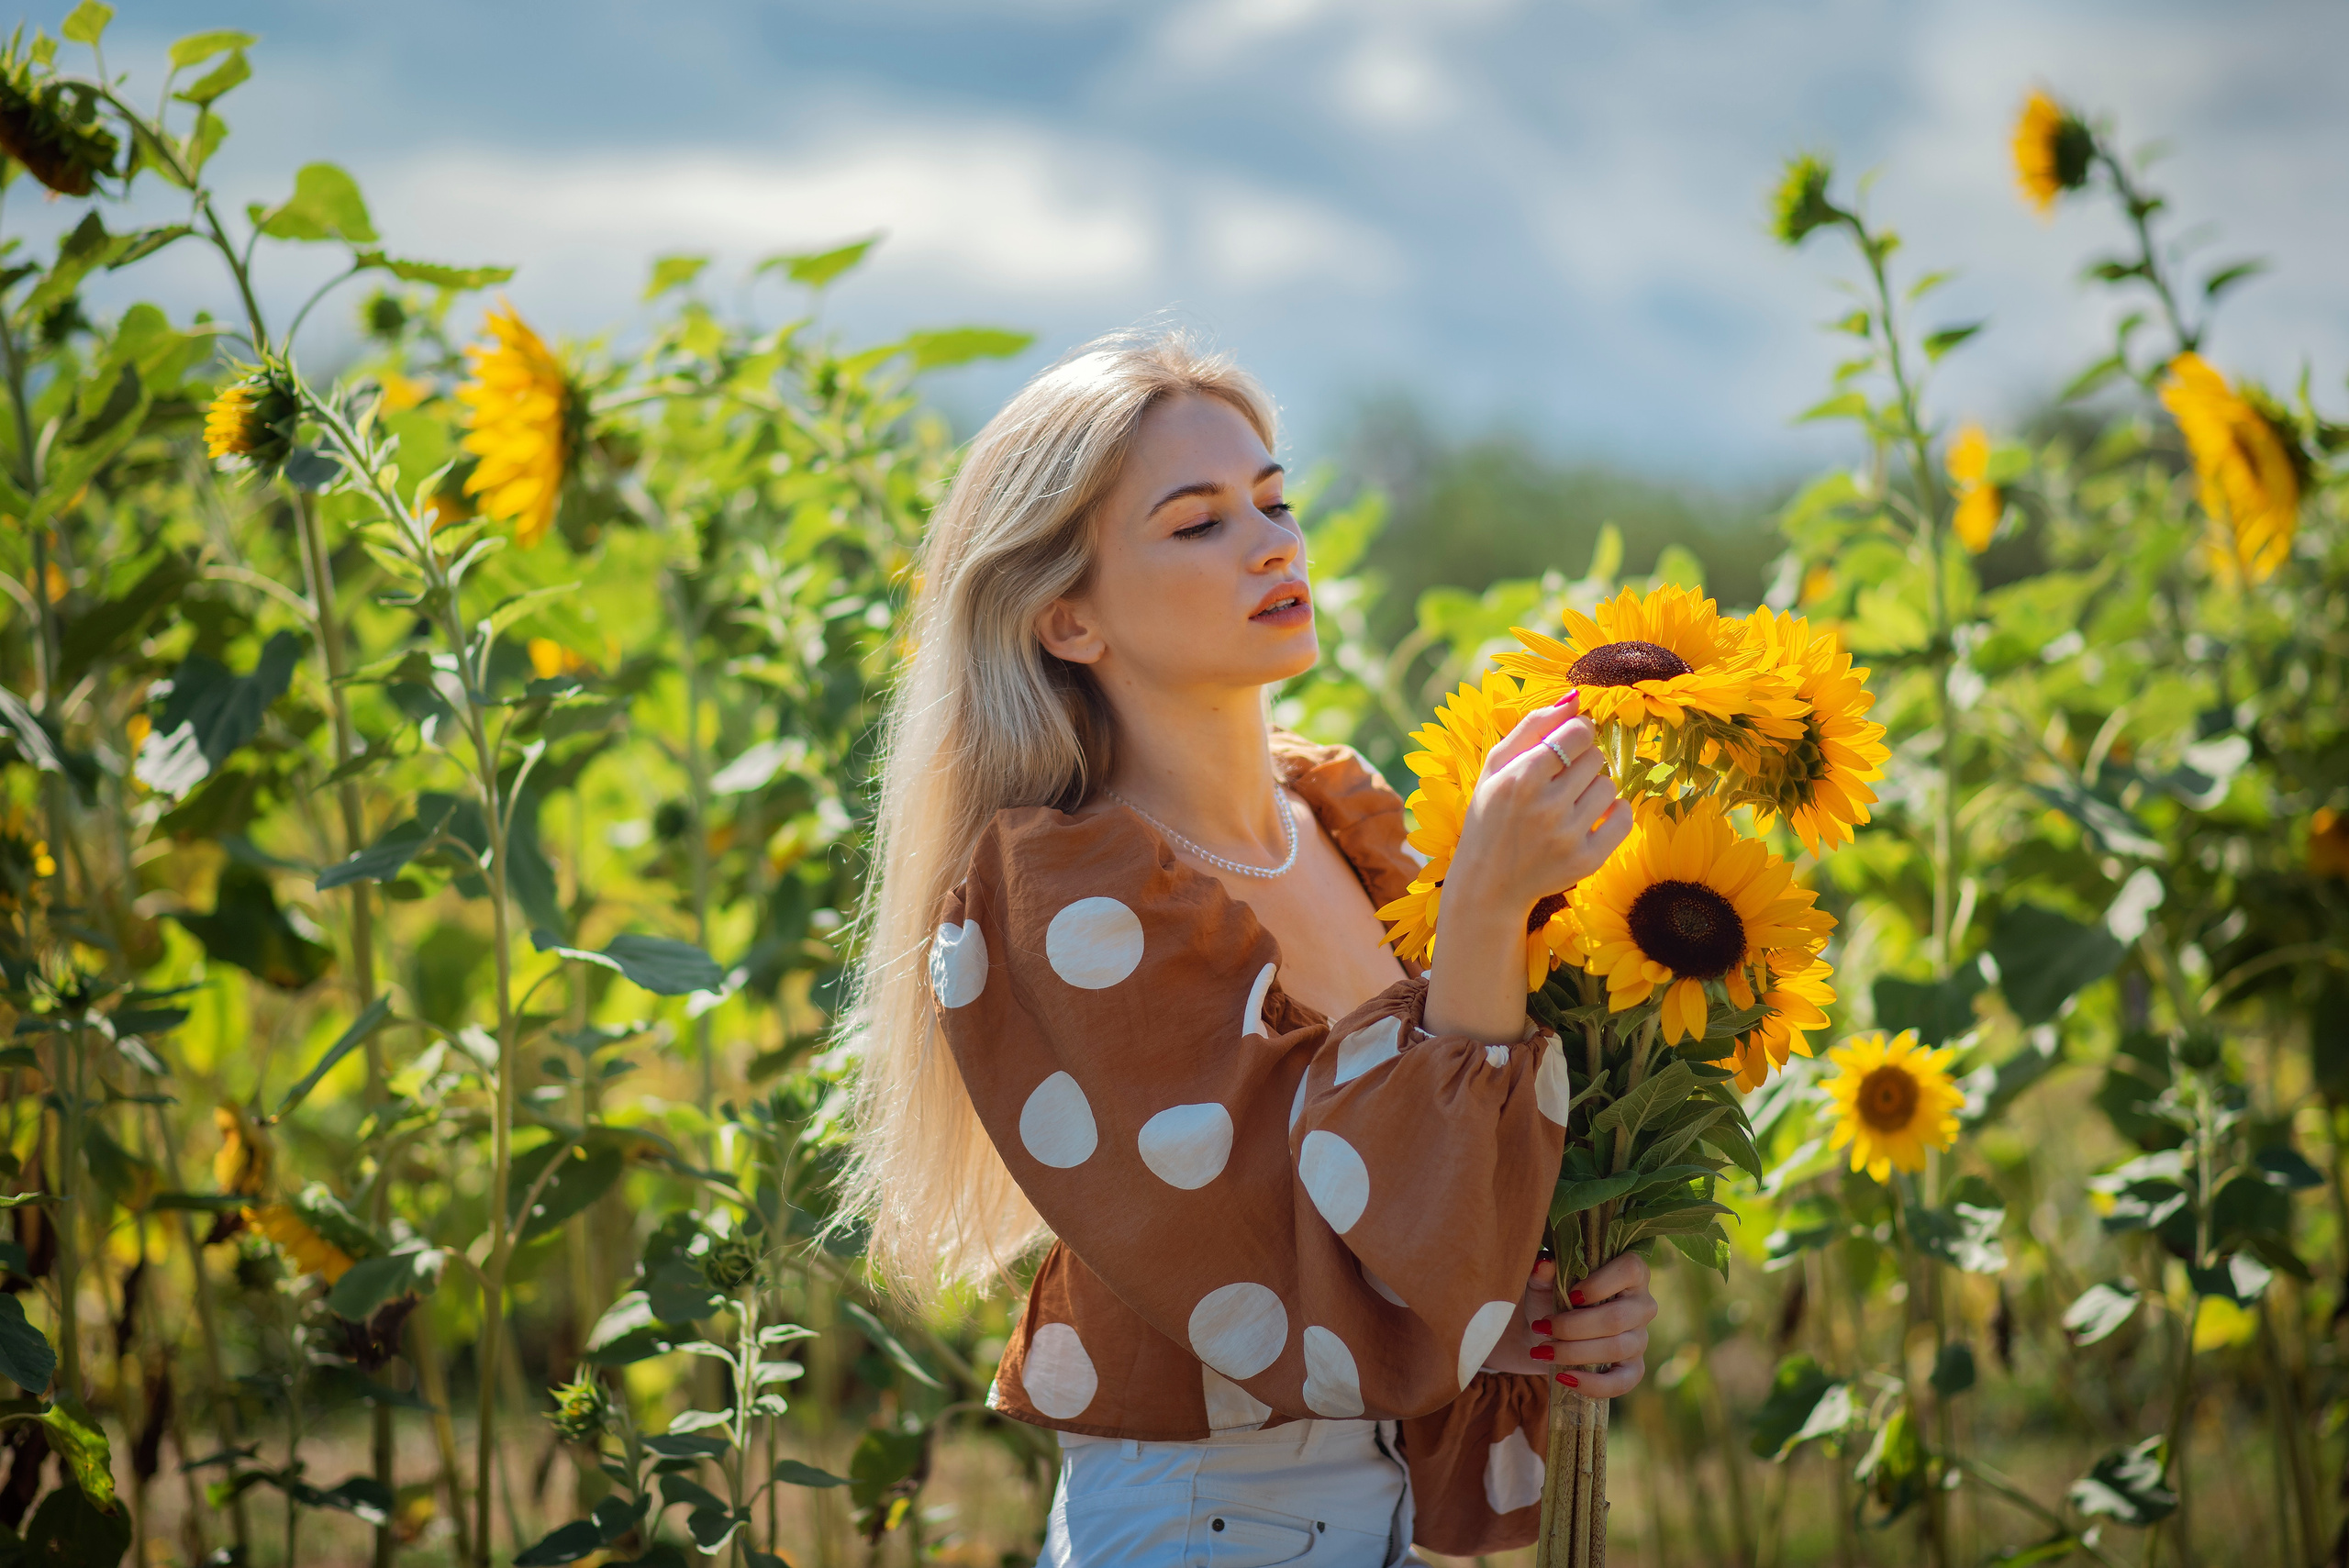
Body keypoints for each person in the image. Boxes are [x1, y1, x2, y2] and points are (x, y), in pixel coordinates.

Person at [843, 330, 1656, 1565]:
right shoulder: (1061, 894)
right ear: (1067, 617)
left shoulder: (1344, 817)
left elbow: (1434, 1215)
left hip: (1393, 1515)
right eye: (1197, 523)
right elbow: (1289, 1261)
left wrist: (1562, 1299)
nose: (1274, 543)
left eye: (1274, 501)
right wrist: (1487, 900)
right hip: (1207, 1520)